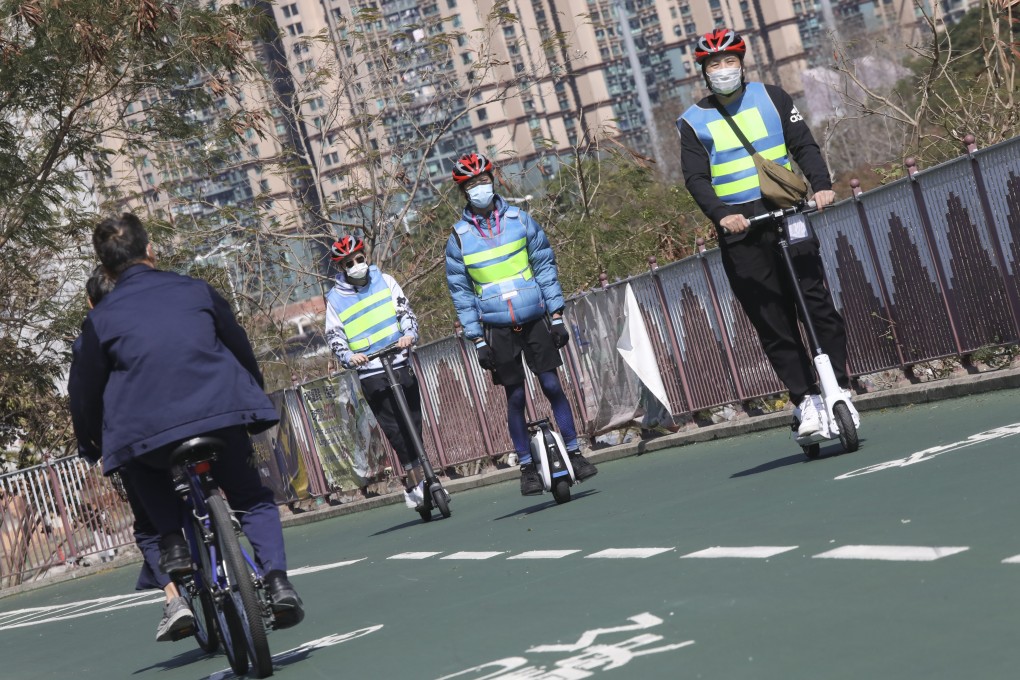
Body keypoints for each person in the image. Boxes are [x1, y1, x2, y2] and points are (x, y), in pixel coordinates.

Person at [68, 214, 304, 629]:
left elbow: (85, 392)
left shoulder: (99, 321)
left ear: (104, 269)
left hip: (148, 433)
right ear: (151, 250)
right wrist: (249, 392)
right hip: (221, 412)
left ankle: (174, 543)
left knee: (141, 465)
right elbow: (239, 344)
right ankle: (279, 581)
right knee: (251, 497)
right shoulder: (195, 290)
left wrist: (90, 441)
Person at [677, 28, 857, 435]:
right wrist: (721, 214)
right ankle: (805, 399)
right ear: (704, 73)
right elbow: (696, 179)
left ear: (742, 63)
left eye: (729, 62)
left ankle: (839, 387)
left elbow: (804, 144)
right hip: (741, 228)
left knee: (816, 303)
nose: (723, 70)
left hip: (786, 210)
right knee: (771, 318)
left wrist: (822, 184)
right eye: (714, 65)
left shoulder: (773, 97)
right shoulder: (693, 122)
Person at [445, 152, 597, 495]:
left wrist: (556, 315)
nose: (480, 188)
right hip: (496, 329)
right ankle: (527, 467)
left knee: (552, 386)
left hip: (534, 318)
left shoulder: (521, 220)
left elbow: (544, 266)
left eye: (484, 181)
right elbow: (461, 293)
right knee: (515, 397)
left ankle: (575, 453)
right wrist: (477, 340)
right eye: (472, 184)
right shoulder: (457, 239)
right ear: (463, 192)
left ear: (493, 182)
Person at [78, 265, 195, 642]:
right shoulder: (160, 310)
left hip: (134, 443)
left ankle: (175, 600)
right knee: (203, 490)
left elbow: (83, 398)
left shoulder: (93, 335)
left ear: (92, 302)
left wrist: (92, 445)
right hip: (189, 418)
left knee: (148, 526)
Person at [323, 236, 426, 510]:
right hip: (370, 369)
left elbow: (404, 310)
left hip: (398, 358)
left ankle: (424, 471)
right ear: (342, 267)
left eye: (359, 258)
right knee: (393, 427)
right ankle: (413, 476)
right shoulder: (335, 299)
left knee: (414, 418)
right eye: (349, 263)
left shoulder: (386, 280)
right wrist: (348, 356)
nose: (357, 265)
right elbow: (334, 335)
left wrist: (409, 333)